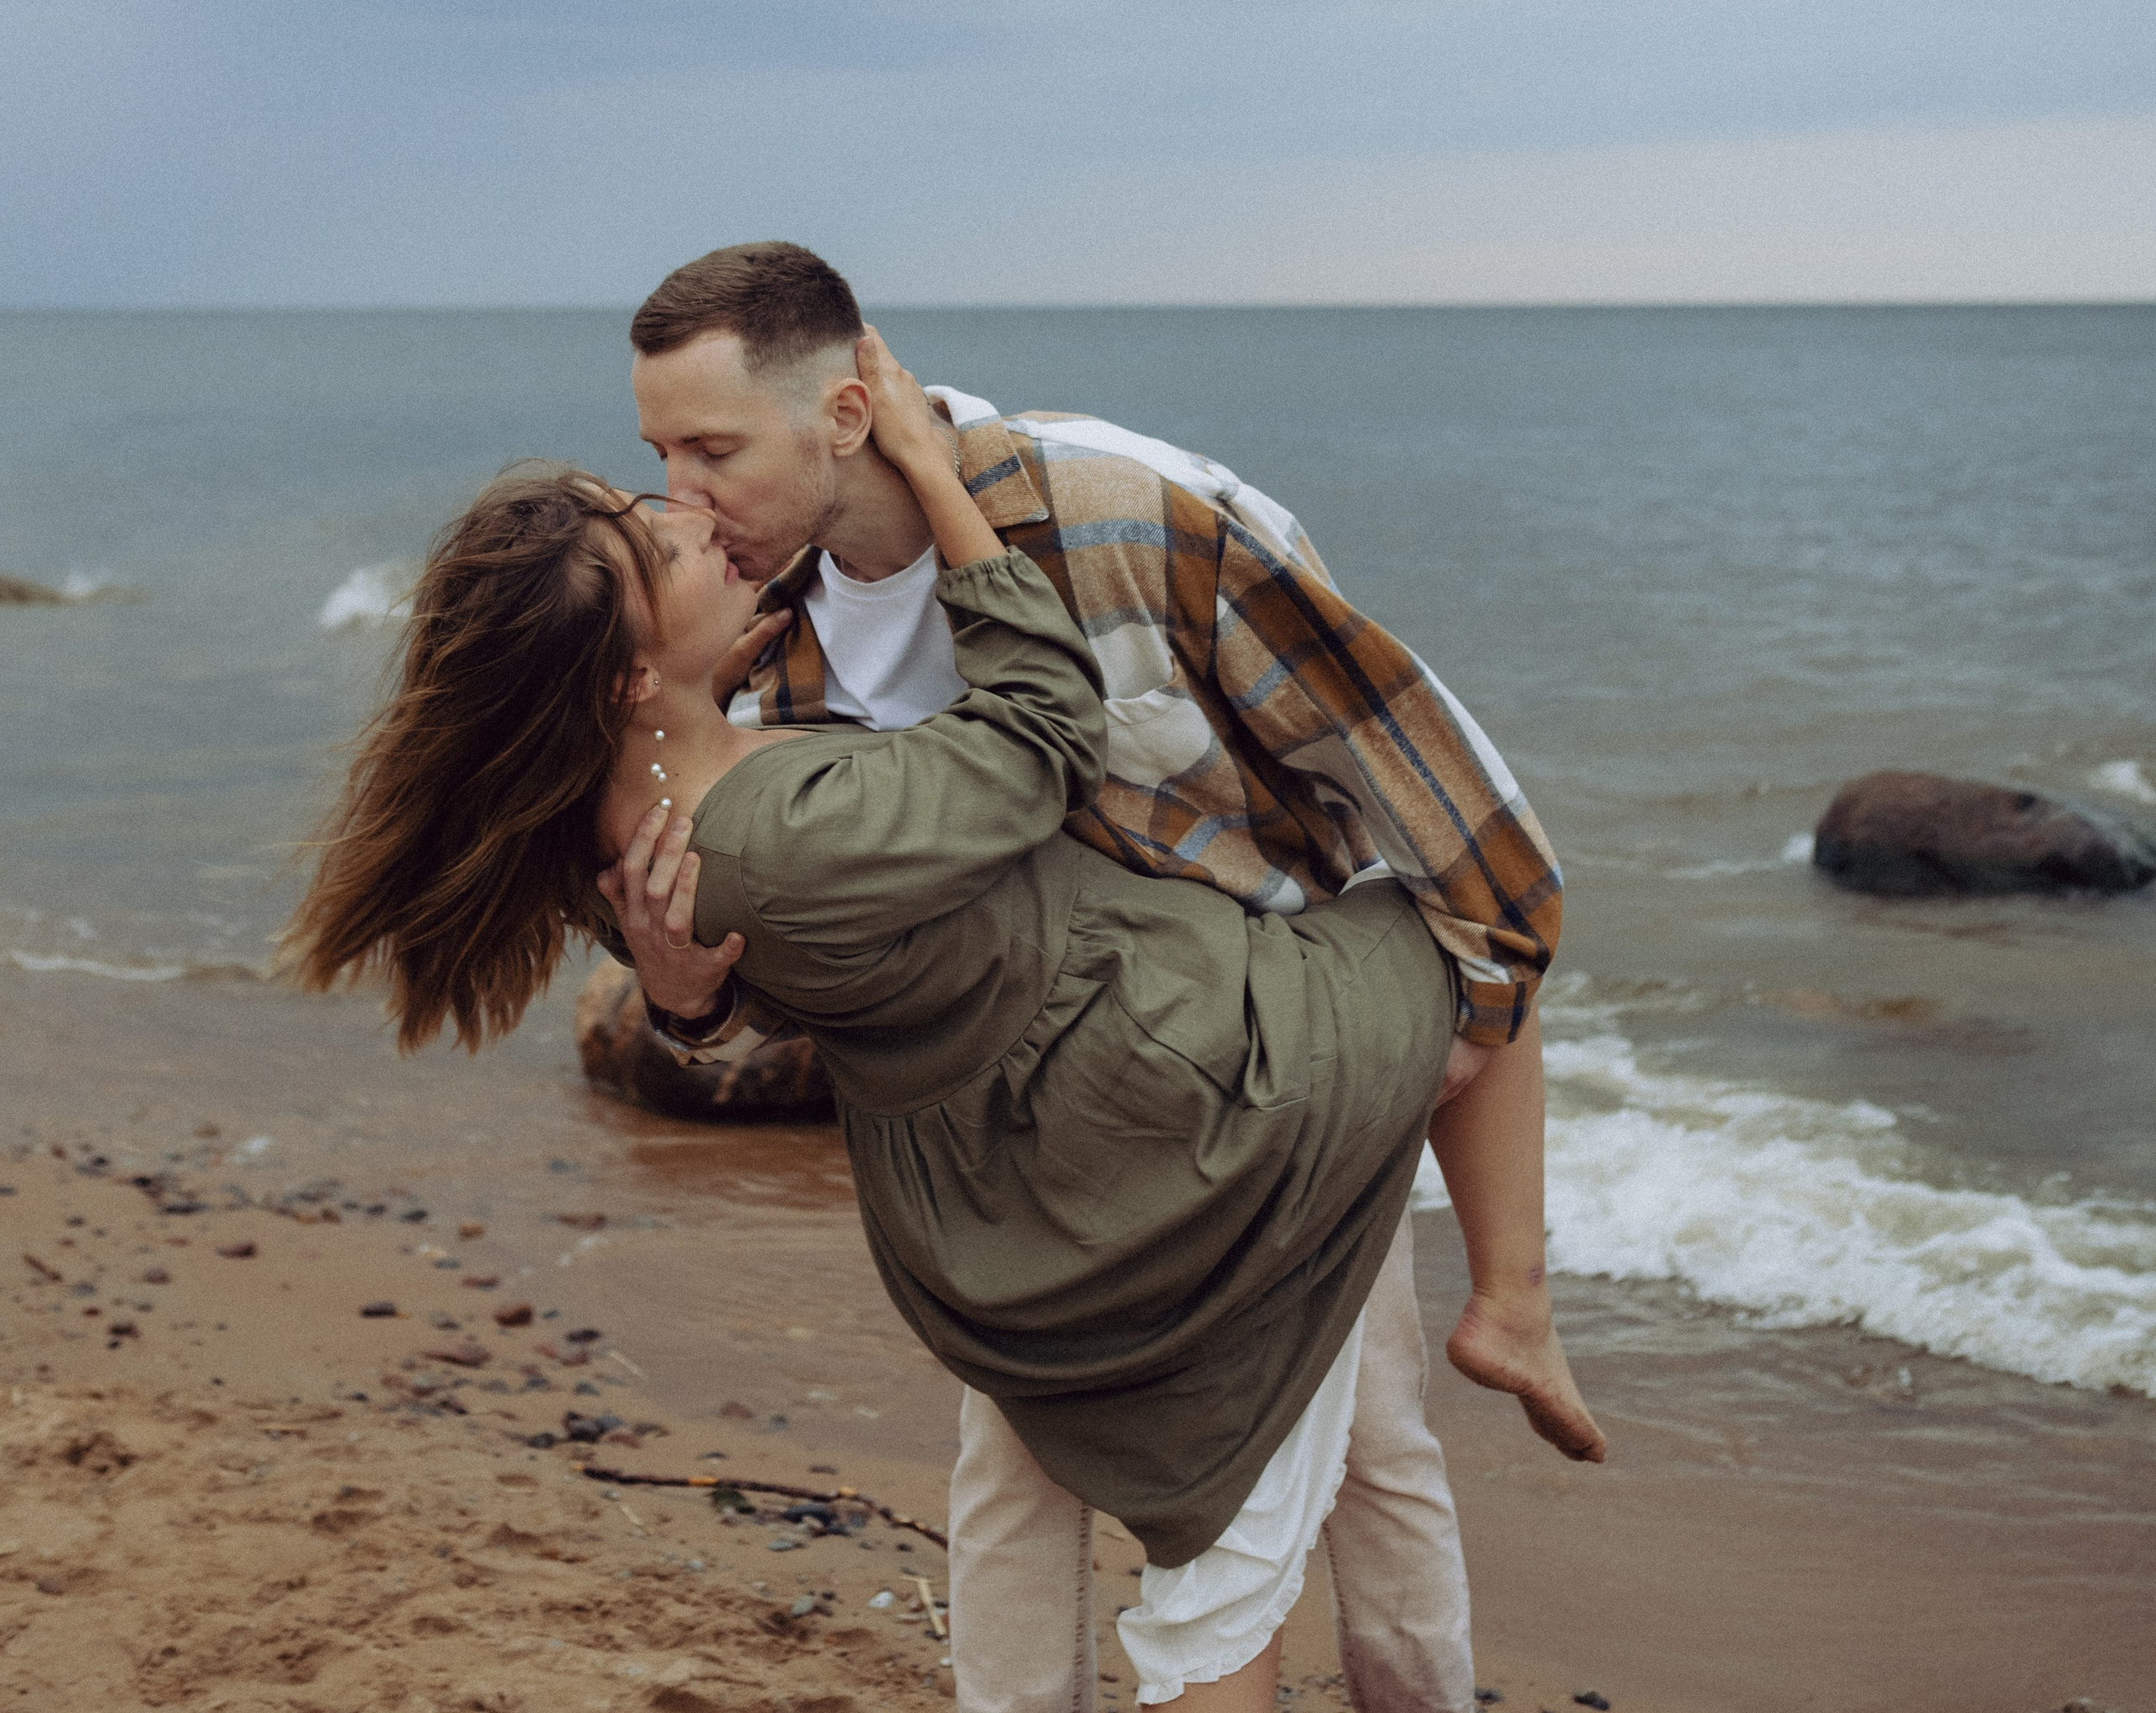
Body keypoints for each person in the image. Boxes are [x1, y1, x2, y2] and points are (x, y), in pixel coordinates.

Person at [284, 349, 1586, 1713]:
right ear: (616, 677)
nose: (683, 504)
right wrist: (943, 478)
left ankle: (1504, 1325)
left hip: (990, 1188)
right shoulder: (766, 805)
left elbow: (771, 952)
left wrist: (689, 999)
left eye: (691, 464)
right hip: (1162, 1107)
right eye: (655, 505)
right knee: (1464, 929)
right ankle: (1514, 1300)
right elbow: (1041, 734)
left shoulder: (632, 809)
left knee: (1347, 1443)